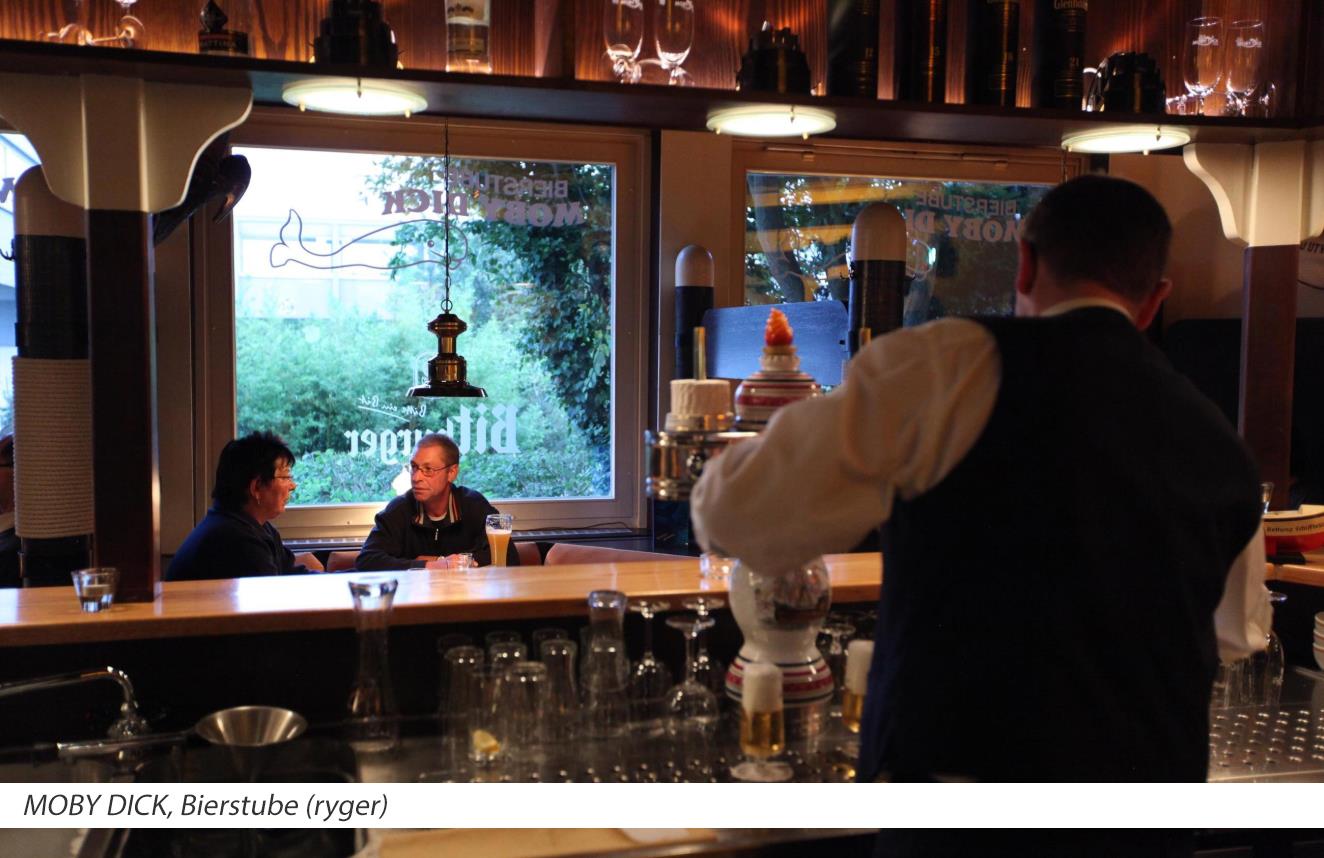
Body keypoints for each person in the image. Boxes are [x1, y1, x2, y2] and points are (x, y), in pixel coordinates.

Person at [691, 175, 1271, 784]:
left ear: (1026, 264)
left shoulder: (949, 365)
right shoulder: (1222, 444)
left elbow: (731, 516)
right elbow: (1238, 634)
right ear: (1155, 300)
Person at [167, 431, 324, 581]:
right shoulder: (237, 541)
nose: (293, 486)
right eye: (286, 477)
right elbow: (275, 595)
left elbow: (290, 574)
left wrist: (336, 576)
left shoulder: (256, 527)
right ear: (256, 487)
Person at [356, 433, 519, 570]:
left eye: (428, 469)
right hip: (415, 595)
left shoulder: (474, 504)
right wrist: (431, 565)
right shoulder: (400, 509)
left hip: (461, 595)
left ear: (452, 472)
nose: (416, 477)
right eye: (414, 467)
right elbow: (367, 560)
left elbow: (509, 556)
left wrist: (443, 561)